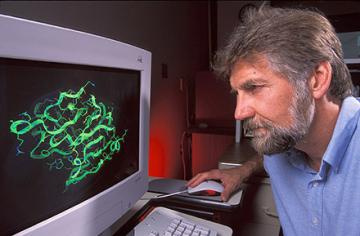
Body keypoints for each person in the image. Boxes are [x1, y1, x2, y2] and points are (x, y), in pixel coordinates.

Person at [187, 5, 360, 236]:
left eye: (254, 87)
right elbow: (270, 156)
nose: (239, 113)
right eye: (236, 94)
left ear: (317, 80)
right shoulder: (286, 139)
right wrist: (242, 171)